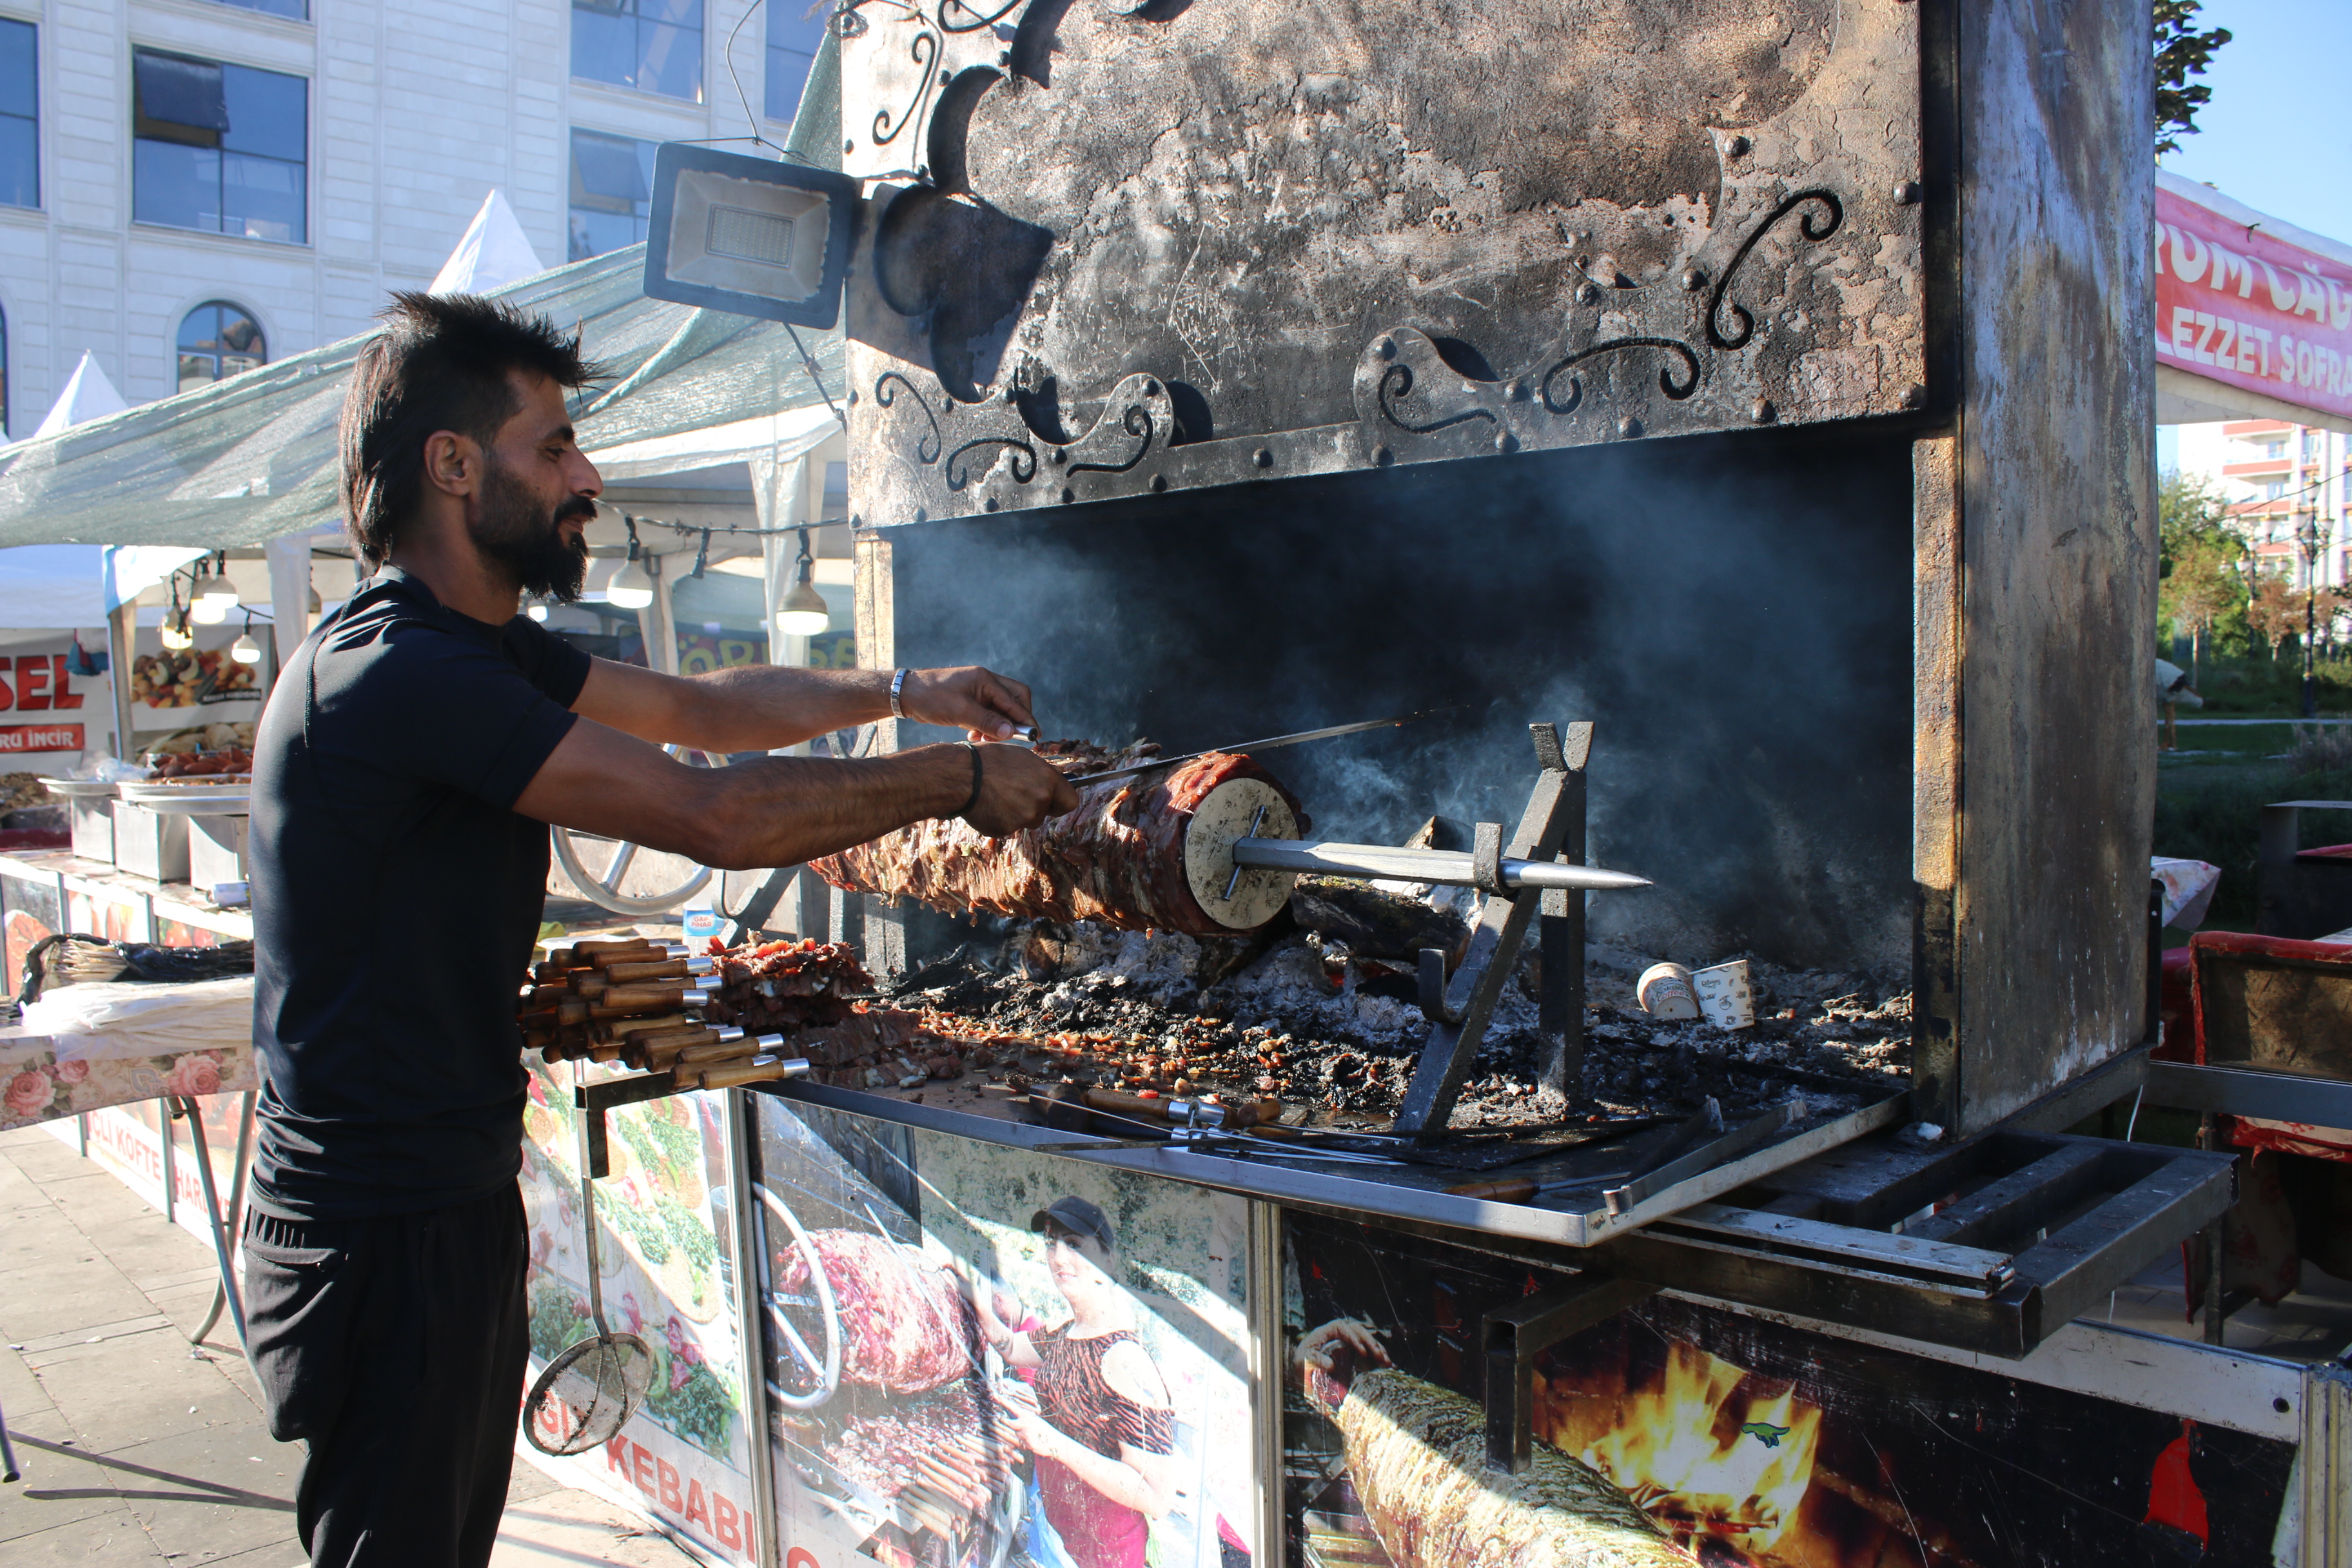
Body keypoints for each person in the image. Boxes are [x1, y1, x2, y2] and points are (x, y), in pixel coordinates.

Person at [240, 292, 1079, 1568]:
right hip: (380, 1224)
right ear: (453, 466)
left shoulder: (476, 651)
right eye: (556, 445)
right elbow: (712, 812)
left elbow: (706, 709)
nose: (587, 476)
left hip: (425, 1198)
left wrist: (905, 690)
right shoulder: (397, 672)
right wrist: (958, 787)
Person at [978, 1197, 1178, 1568]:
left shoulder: (1125, 1359)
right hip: (1057, 1536)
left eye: (1075, 1244)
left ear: (1108, 1259)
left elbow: (1157, 1496)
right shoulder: (1067, 1333)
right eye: (1052, 1243)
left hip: (1108, 1557)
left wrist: (1052, 1442)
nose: (1058, 1257)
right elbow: (1009, 1347)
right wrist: (969, 1292)